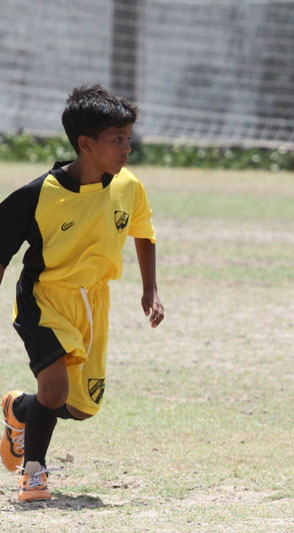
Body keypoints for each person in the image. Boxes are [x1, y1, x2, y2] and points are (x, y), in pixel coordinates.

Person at [0, 84, 164, 502]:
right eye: (117, 139)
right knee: (54, 391)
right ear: (86, 144)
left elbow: (143, 233)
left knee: (77, 407)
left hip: (94, 303)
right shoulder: (39, 196)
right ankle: (33, 476)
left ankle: (18, 410)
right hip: (45, 298)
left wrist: (151, 289)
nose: (127, 147)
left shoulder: (128, 186)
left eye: (128, 137)